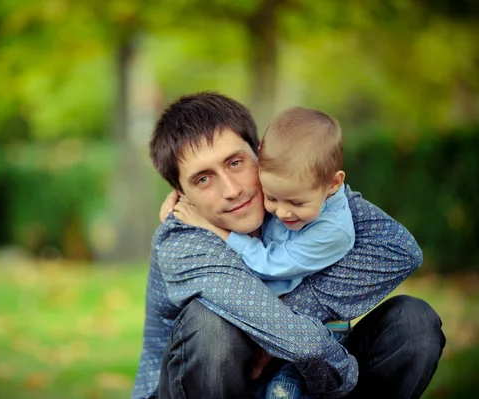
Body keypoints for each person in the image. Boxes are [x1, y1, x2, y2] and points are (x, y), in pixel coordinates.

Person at [132, 92, 445, 399]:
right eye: (203, 179)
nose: (231, 190)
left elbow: (399, 249)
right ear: (180, 193)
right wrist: (338, 367)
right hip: (218, 383)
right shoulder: (182, 238)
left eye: (236, 162)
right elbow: (290, 334)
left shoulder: (290, 197)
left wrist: (286, 317)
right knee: (210, 325)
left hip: (298, 376)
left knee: (413, 321)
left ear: (261, 154)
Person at [168, 106, 355, 399]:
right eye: (272, 198)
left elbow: (270, 265)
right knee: (208, 323)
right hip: (266, 335)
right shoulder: (293, 191)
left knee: (286, 388)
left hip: (321, 331)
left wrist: (217, 230)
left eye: (235, 163)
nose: (281, 213)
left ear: (333, 184)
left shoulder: (332, 229)